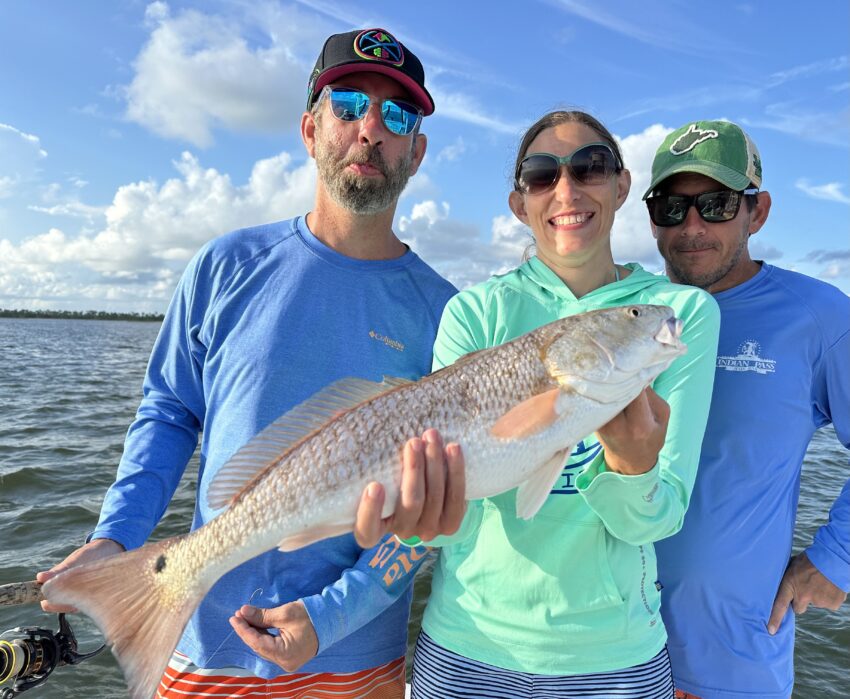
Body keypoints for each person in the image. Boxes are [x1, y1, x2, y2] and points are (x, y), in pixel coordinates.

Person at [37, 27, 463, 699]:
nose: (371, 129)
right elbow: (169, 410)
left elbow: (432, 512)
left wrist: (332, 615)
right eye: (349, 104)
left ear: (417, 149)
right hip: (202, 642)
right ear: (309, 128)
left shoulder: (449, 313)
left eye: (398, 114)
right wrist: (118, 537)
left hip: (354, 659)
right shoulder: (224, 264)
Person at [404, 110, 721, 699]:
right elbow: (451, 527)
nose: (567, 190)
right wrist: (419, 519)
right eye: (541, 176)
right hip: (466, 644)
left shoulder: (676, 314)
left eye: (591, 167)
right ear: (519, 202)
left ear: (622, 186)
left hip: (616, 658)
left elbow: (657, 518)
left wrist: (634, 469)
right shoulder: (474, 313)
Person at [644, 120, 849, 699]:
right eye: (671, 206)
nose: (692, 226)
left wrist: (836, 561)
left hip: (734, 664)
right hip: (609, 655)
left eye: (715, 204)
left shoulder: (817, 316)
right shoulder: (629, 314)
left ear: (755, 213)